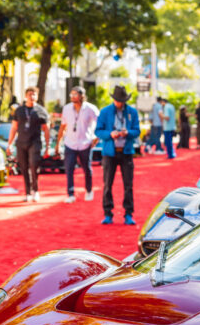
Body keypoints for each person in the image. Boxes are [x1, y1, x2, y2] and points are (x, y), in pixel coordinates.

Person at [95, 85, 140, 225]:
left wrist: (128, 133)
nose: (120, 103)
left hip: (126, 152)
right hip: (110, 153)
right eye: (118, 100)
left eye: (122, 100)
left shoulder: (132, 112)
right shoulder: (105, 112)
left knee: (128, 185)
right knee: (107, 184)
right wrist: (110, 134)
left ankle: (128, 214)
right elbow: (98, 131)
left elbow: (137, 131)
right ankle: (108, 213)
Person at [6, 86, 50, 202]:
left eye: (34, 94)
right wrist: (9, 144)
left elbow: (46, 129)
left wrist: (47, 146)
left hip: (35, 142)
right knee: (24, 168)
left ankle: (36, 190)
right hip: (21, 142)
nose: (32, 96)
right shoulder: (19, 110)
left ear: (37, 96)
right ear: (26, 96)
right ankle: (27, 192)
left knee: (34, 165)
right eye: (29, 94)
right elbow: (14, 127)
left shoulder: (41, 111)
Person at [55, 86, 98, 203]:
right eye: (71, 95)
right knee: (69, 169)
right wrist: (58, 143)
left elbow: (100, 124)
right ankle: (70, 194)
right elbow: (63, 126)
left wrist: (96, 138)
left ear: (81, 96)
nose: (73, 97)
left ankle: (89, 191)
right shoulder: (67, 108)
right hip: (70, 143)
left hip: (85, 143)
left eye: (75, 94)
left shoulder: (90, 108)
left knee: (87, 169)